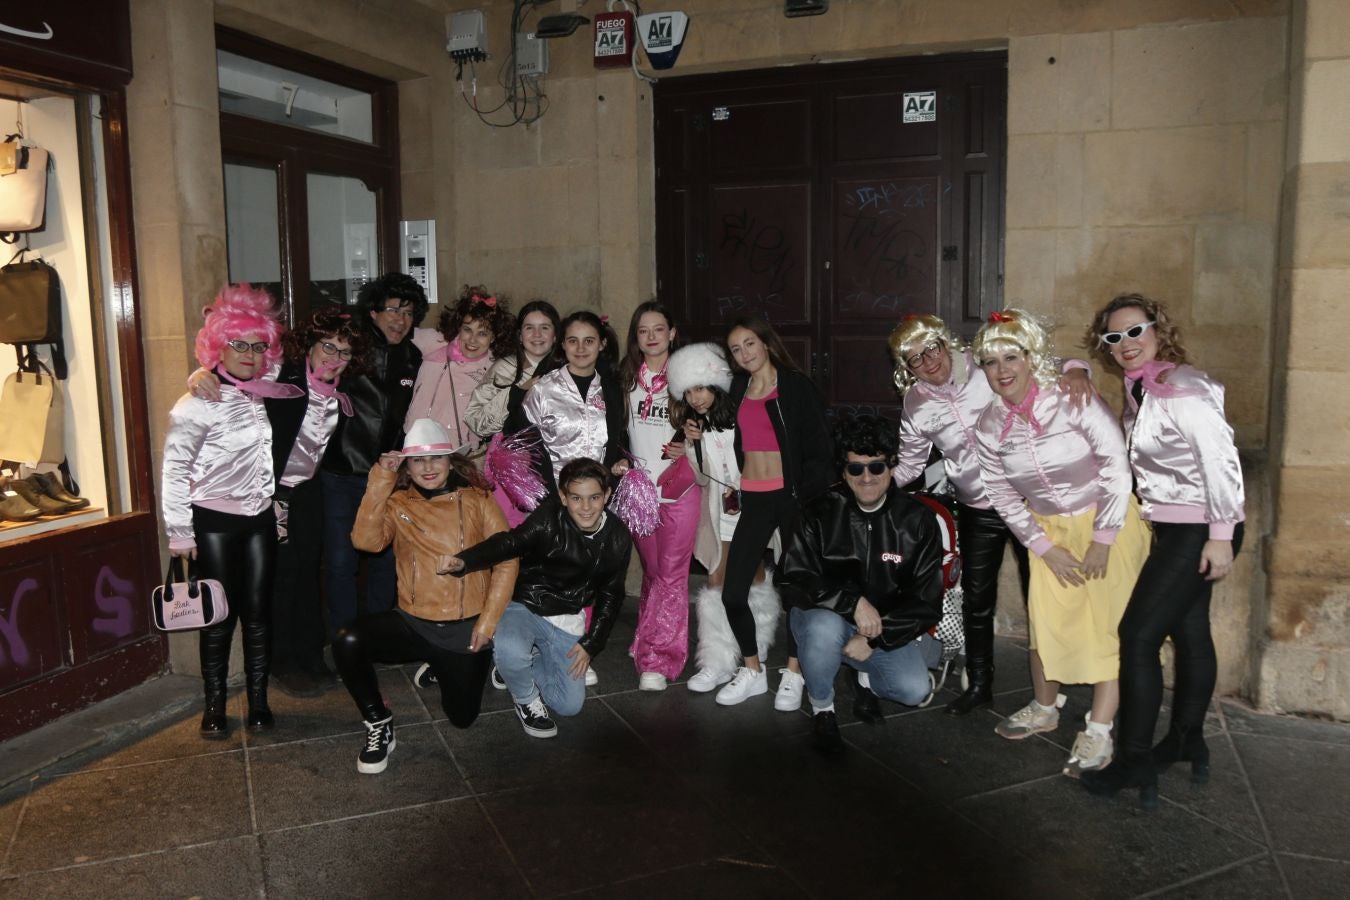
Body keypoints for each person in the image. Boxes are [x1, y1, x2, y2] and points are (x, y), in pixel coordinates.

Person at [191, 275, 427, 636]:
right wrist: (202, 374)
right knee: (337, 562)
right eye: (392, 309)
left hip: (385, 478)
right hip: (335, 474)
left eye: (409, 312)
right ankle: (344, 638)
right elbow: (253, 367)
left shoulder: (412, 358)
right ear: (374, 312)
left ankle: (377, 638)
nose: (400, 319)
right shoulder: (348, 346)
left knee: (384, 558)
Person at [1080, 295, 1246, 807]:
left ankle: (1133, 762)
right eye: (1114, 337)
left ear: (1158, 329)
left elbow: (1220, 460)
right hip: (1177, 527)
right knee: (1191, 632)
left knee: (1137, 635)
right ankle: (1186, 740)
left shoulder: (1183, 387)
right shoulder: (1143, 390)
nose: (1126, 344)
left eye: (1136, 331)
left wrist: (1221, 535)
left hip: (1201, 527)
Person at [972, 309, 1149, 777]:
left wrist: (1103, 539)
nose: (1003, 370)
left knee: (1107, 627)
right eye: (991, 362)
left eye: (1012, 357)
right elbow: (1001, 493)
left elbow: (1115, 464)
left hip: (1105, 522)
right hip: (1046, 532)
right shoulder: (989, 425)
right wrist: (1043, 547)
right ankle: (1045, 708)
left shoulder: (1072, 397)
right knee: (1047, 621)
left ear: (1032, 359)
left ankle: (1098, 729)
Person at [887, 315, 1093, 716]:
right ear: (905, 368)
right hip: (977, 509)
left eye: (931, 349)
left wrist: (1079, 370)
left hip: (1028, 500)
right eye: (914, 359)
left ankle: (1054, 681)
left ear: (946, 343)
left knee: (1046, 596)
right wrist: (871, 484)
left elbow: (1050, 362)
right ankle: (980, 682)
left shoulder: (983, 364)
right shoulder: (916, 403)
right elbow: (911, 465)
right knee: (977, 600)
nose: (928, 363)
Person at [336, 419, 518, 774]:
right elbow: (365, 542)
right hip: (413, 622)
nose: (428, 468)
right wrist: (380, 480)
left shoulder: (478, 500)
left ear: (451, 461)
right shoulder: (397, 501)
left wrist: (489, 623)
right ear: (407, 465)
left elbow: (507, 560)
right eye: (418, 460)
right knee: (348, 640)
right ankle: (378, 723)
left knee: (462, 718)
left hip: (465, 628)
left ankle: (456, 663)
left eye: (437, 458)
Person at [162, 285, 291, 737]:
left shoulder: (265, 393)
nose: (250, 355)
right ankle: (214, 706)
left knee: (258, 613)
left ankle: (258, 703)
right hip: (212, 523)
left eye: (258, 346)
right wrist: (180, 533)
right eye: (239, 344)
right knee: (217, 617)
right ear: (219, 344)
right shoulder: (197, 401)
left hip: (258, 519)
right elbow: (174, 470)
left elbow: (291, 372)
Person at [778, 414, 944, 753]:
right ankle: (823, 706)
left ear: (892, 467)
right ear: (843, 471)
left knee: (913, 690)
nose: (866, 477)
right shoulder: (819, 511)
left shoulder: (917, 520)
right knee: (823, 630)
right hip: (824, 617)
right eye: (855, 469)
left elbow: (927, 600)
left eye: (876, 467)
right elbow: (794, 577)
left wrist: (877, 638)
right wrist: (852, 602)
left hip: (882, 627)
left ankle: (861, 673)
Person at [443, 459, 633, 739]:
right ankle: (525, 697)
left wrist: (591, 643)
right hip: (527, 605)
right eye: (576, 498)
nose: (586, 507)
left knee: (568, 706)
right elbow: (511, 542)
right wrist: (464, 561)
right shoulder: (549, 518)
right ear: (563, 497)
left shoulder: (617, 536)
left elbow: (611, 594)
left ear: (606, 496)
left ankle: (519, 664)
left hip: (568, 617)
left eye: (594, 497)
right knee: (510, 649)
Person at [716, 317, 834, 710]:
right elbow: (714, 424)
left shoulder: (795, 386)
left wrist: (810, 500)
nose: (744, 353)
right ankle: (752, 670)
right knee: (733, 592)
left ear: (766, 344)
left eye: (750, 343)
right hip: (754, 497)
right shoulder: (736, 389)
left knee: (797, 589)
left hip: (792, 497)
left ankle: (795, 672)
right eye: (736, 349)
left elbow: (820, 448)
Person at [666, 342, 781, 693]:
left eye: (700, 387)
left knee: (748, 578)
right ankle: (719, 661)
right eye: (688, 391)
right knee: (721, 580)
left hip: (755, 509)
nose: (696, 398)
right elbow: (703, 479)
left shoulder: (745, 414)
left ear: (716, 383)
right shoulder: (694, 427)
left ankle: (751, 651)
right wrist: (694, 445)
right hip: (722, 516)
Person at [265, 309, 369, 697]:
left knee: (309, 574)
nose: (334, 357)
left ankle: (311, 656)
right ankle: (282, 661)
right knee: (281, 577)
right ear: (309, 345)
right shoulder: (281, 377)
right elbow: (234, 373)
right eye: (327, 346)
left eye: (343, 352)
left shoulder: (339, 394)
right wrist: (203, 373)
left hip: (308, 493)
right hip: (271, 494)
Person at [618, 301, 699, 691]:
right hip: (639, 488)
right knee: (652, 572)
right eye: (643, 330)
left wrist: (694, 446)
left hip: (680, 487)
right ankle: (645, 638)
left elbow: (718, 422)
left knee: (670, 574)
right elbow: (612, 431)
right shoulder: (624, 377)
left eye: (658, 329)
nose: (651, 337)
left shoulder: (689, 376)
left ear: (672, 332)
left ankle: (659, 659)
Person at [465, 299, 563, 526]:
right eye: (529, 327)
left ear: (555, 335)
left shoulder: (567, 368)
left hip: (558, 464)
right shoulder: (504, 368)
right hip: (512, 465)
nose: (537, 334)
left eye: (545, 327)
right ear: (520, 335)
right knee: (511, 530)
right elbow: (476, 420)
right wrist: (519, 391)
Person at [523, 310, 629, 493]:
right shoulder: (543, 389)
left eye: (589, 341)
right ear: (563, 344)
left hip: (599, 496)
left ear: (602, 344)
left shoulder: (612, 391)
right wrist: (550, 493)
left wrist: (620, 461)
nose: (580, 348)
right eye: (573, 341)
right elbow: (528, 446)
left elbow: (618, 440)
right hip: (554, 494)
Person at [405, 284, 515, 448]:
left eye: (482, 333)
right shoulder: (435, 343)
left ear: (493, 337)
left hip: (460, 452)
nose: (472, 339)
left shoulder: (496, 370)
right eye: (467, 330)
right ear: (458, 328)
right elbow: (395, 332)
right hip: (418, 444)